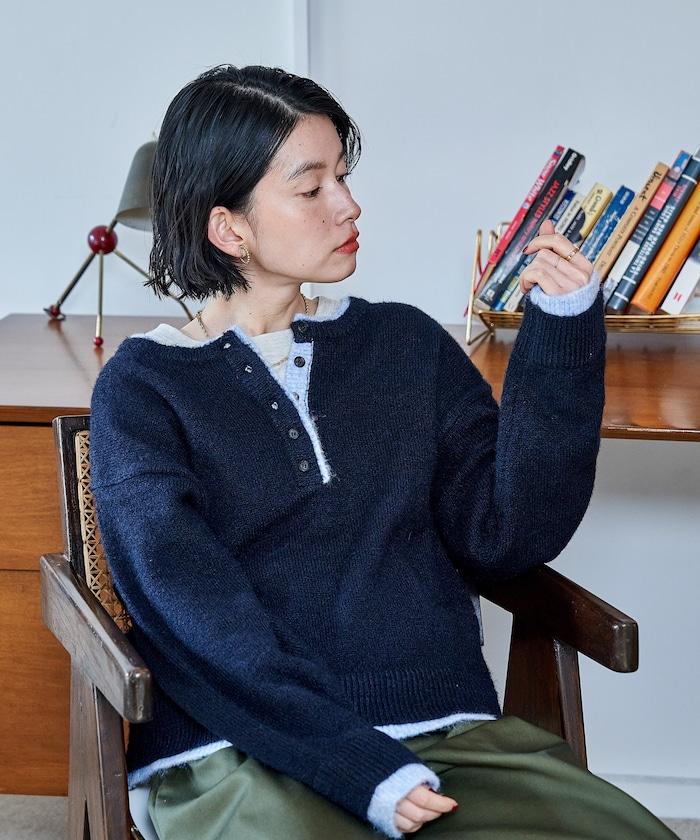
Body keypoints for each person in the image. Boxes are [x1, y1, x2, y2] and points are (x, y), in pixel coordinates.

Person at [89, 64, 678, 839]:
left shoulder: (406, 345)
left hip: (447, 732)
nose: (349, 204)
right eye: (312, 188)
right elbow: (192, 615)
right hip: (236, 747)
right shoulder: (145, 387)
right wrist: (353, 763)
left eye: (344, 175)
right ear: (229, 229)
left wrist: (561, 332)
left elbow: (507, 536)